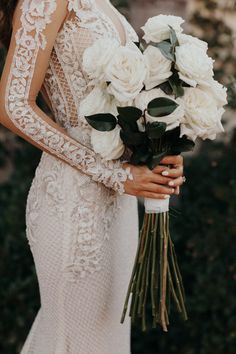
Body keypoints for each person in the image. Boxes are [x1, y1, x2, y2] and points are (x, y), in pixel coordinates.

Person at [0, 0, 185, 353]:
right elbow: (13, 106)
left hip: (119, 201)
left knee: (106, 339)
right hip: (72, 200)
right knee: (72, 339)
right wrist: (112, 174)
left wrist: (160, 152)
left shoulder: (104, 5)